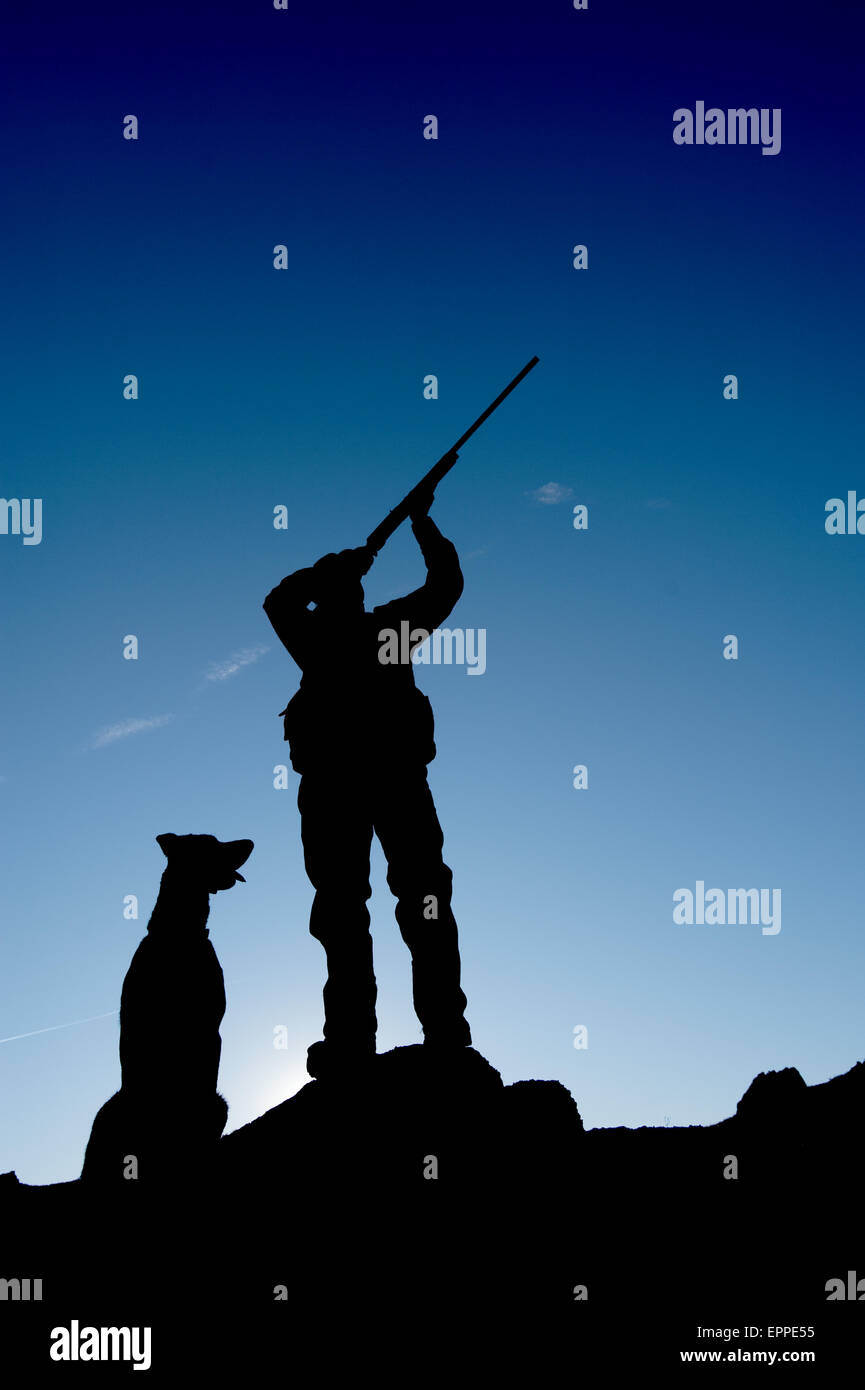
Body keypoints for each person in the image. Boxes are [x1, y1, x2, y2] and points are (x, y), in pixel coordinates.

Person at [263, 490, 472, 1076]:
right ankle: (414, 1033)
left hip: (362, 786)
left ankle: (400, 1035)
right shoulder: (382, 632)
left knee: (377, 906)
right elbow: (446, 584)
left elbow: (281, 600)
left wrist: (343, 562)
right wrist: (420, 525)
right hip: (369, 786)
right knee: (362, 908)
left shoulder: (321, 642)